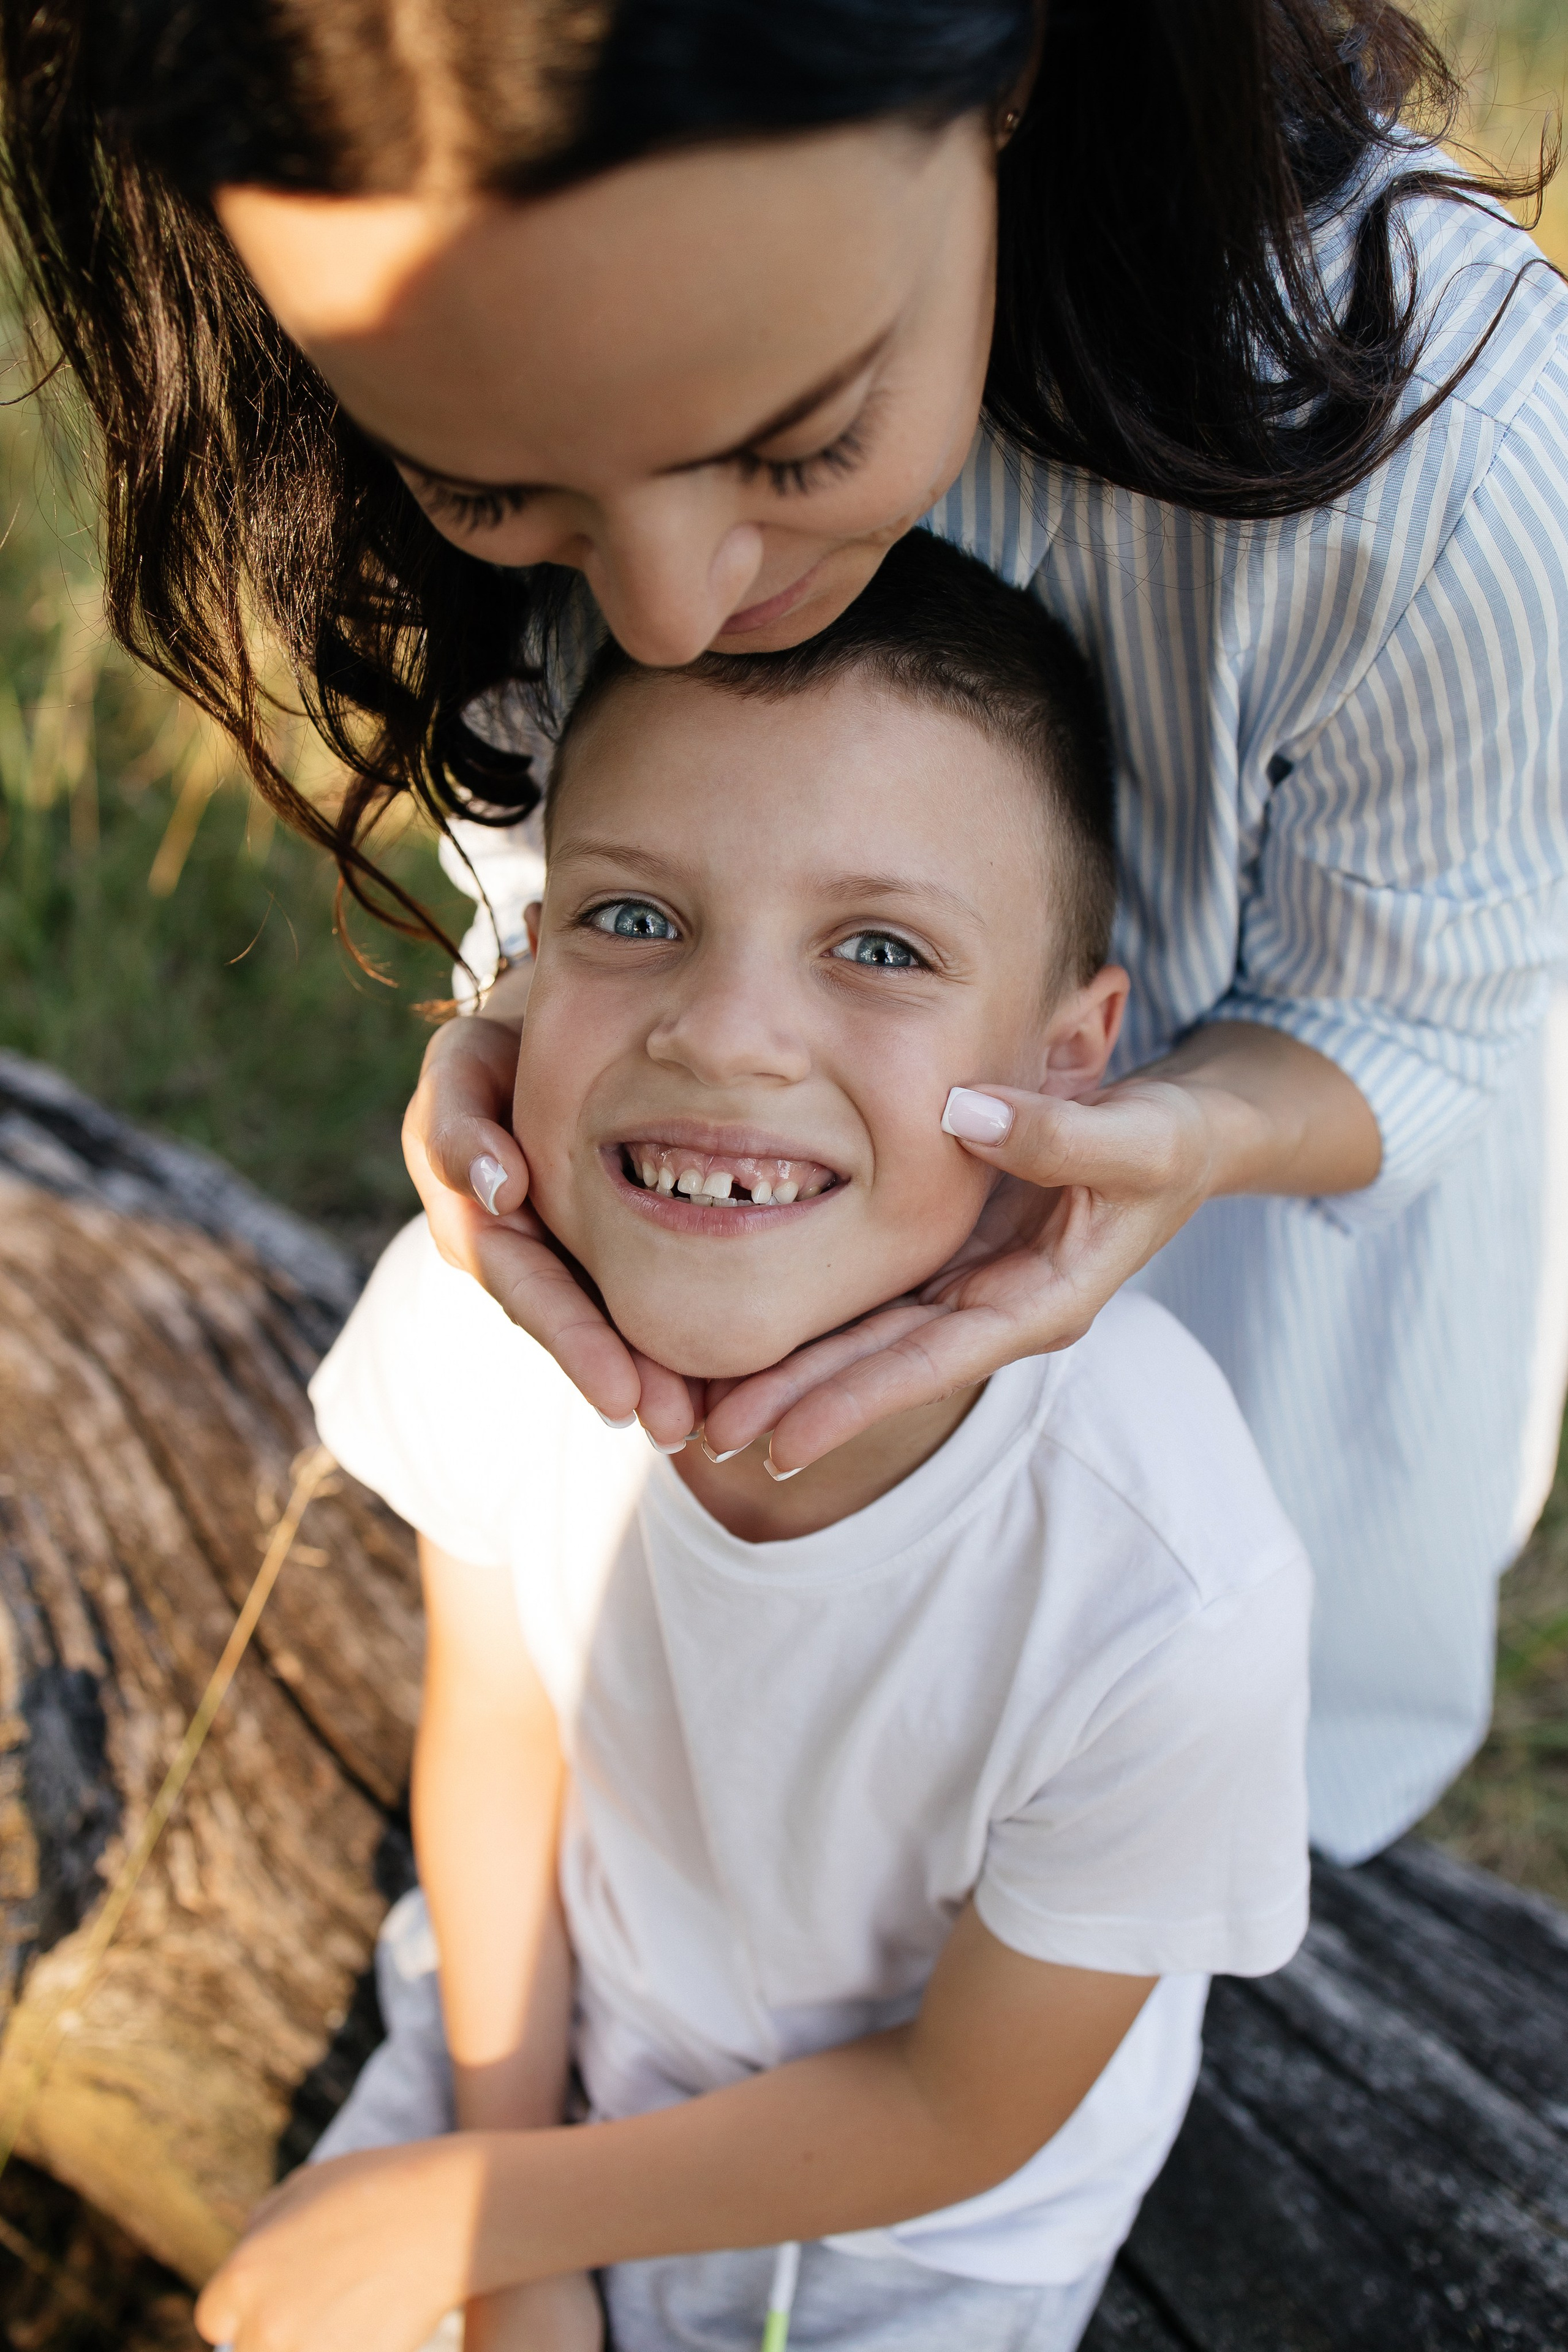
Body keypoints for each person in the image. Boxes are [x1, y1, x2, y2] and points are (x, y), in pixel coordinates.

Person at [2, 2, 1562, 1863]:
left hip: (1264, 1351)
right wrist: (518, 1026)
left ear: (1012, 73)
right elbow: (536, 872)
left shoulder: (1429, 432)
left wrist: (1180, 1136)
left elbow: (1429, 1014)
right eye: (496, 492)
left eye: (801, 442)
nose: (663, 616)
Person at [197, 535, 1311, 2352]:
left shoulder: (1163, 1587)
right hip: (540, 2054)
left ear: (1070, 1058)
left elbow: (967, 2106)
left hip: (917, 2224)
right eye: (636, 917)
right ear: (531, 957)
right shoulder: (492, 1311)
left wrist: (485, 2216)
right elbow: (498, 1732)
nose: (726, 1035)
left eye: (879, 949)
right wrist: (506, 2215)